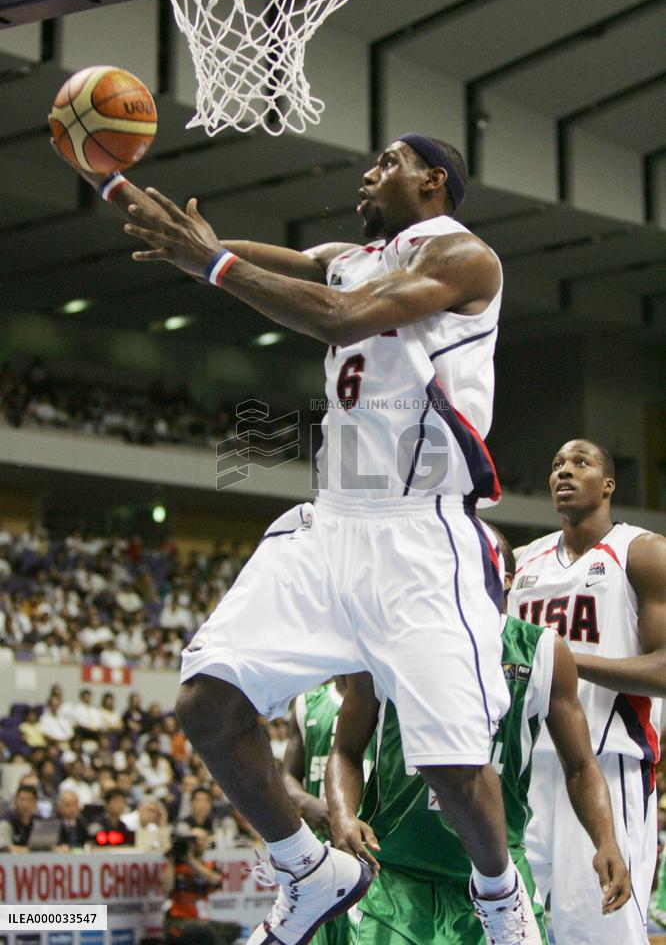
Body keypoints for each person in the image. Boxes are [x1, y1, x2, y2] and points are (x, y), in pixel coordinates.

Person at [54, 133, 538, 944]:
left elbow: (345, 317)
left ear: (433, 179)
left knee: (454, 772)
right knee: (207, 704)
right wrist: (109, 181)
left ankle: (500, 898)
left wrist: (209, 265)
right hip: (330, 522)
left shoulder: (464, 256)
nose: (369, 172)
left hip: (419, 535)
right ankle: (309, 870)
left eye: (387, 161)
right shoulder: (349, 254)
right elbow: (206, 244)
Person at [326, 529, 630, 943]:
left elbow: (579, 766)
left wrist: (605, 840)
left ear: (505, 577)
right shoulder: (387, 639)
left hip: (496, 878)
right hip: (397, 875)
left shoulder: (543, 651)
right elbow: (345, 749)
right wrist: (343, 814)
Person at [508, 439, 666, 944]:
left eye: (581, 463)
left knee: (598, 934)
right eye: (556, 465)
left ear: (609, 484)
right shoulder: (520, 563)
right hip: (524, 770)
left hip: (605, 766)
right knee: (503, 927)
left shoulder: (642, 553)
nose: (564, 473)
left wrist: (564, 663)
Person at [283, 677, 373, 945]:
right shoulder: (306, 703)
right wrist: (304, 801)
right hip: (319, 847)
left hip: (370, 845)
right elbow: (287, 776)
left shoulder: (384, 696)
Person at [163, 827, 241, 945]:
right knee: (206, 932)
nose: (196, 844)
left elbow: (215, 880)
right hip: (179, 921)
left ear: (206, 843)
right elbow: (166, 887)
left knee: (234, 928)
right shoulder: (176, 866)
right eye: (193, 840)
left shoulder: (208, 866)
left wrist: (191, 861)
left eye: (200, 840)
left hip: (201, 920)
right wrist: (170, 859)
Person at [0, 785, 38, 852]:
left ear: (35, 802)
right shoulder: (7, 822)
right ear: (15, 801)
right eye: (22, 799)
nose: (26, 804)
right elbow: (4, 847)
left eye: (30, 800)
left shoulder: (39, 822)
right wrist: (30, 851)